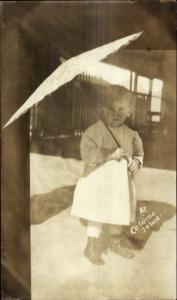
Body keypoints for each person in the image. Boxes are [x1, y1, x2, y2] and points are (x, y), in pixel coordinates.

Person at [71, 85, 144, 264]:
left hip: (120, 184)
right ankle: (91, 246)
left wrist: (136, 161)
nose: (116, 113)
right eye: (111, 109)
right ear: (102, 110)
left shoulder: (130, 134)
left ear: (129, 111)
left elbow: (139, 152)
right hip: (99, 181)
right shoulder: (94, 131)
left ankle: (115, 242)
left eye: (121, 109)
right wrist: (109, 154)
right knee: (97, 213)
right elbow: (87, 154)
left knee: (118, 211)